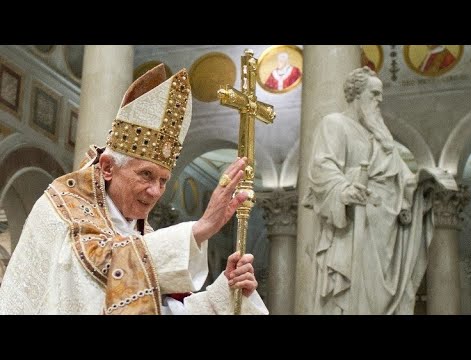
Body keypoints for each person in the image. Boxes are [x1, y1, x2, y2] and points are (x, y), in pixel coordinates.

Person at [0, 64, 268, 315]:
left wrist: (224, 294)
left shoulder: (140, 236)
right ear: (107, 167)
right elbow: (91, 275)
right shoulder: (62, 209)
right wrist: (199, 229)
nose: (155, 191)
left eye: (163, 181)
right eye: (146, 175)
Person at [302, 66, 434, 314]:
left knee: (376, 301)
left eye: (380, 95)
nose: (379, 100)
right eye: (374, 94)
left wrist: (423, 186)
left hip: (384, 229)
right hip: (353, 224)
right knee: (353, 294)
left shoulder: (380, 137)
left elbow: (404, 179)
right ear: (356, 94)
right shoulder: (335, 124)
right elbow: (323, 165)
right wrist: (343, 189)